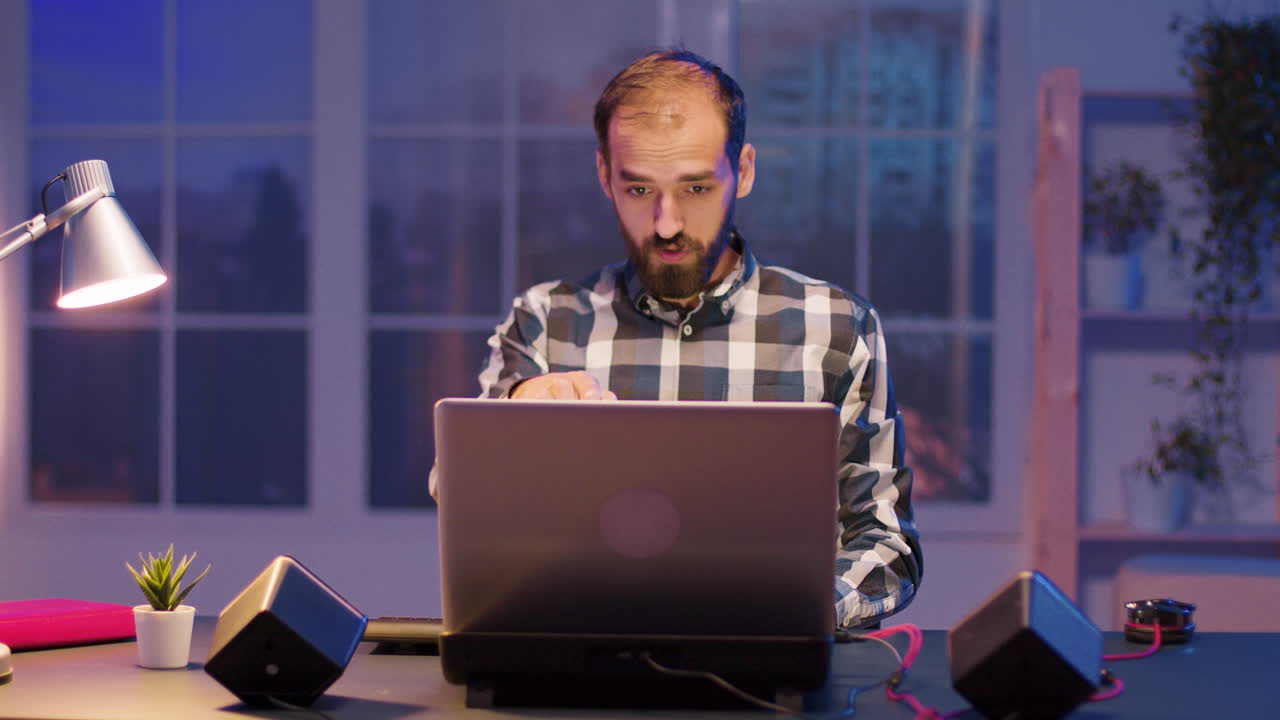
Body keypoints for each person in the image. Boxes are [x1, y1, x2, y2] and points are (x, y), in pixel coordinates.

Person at [433, 49, 922, 628]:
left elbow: (886, 546)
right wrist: (512, 424)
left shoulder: (837, 328)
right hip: (575, 660)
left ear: (742, 170)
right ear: (604, 176)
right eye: (639, 191)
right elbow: (462, 504)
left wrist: (791, 619)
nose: (666, 224)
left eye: (694, 188)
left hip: (767, 680)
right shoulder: (547, 320)